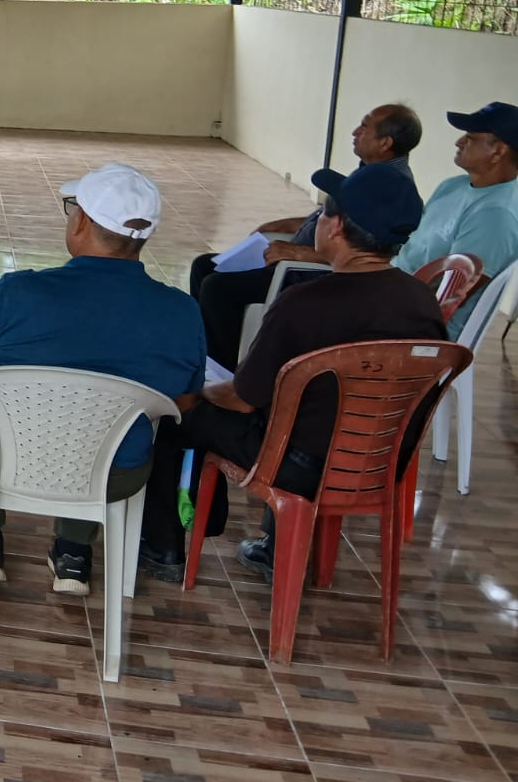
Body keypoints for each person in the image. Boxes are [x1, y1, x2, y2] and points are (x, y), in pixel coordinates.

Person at [138, 162, 444, 583]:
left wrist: (200, 390)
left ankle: (163, 549)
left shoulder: (305, 302)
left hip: (296, 464)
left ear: (335, 227)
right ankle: (274, 545)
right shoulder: (424, 303)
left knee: (178, 416)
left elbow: (242, 399)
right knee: (308, 413)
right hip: (380, 462)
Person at [0, 163, 205, 596]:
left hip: (5, 460)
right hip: (114, 474)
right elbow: (182, 403)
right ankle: (73, 552)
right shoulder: (182, 312)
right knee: (100, 434)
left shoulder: (17, 292)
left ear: (82, 221)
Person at [192, 103, 419, 366]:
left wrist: (300, 253)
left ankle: (224, 368)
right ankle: (202, 354)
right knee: (205, 265)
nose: (355, 132)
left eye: (364, 126)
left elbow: (374, 252)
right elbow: (344, 222)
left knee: (218, 288)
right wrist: (290, 224)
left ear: (385, 143)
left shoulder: (390, 187)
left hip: (306, 272)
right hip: (296, 259)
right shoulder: (371, 172)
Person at [393, 102, 518, 336]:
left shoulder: (495, 215)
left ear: (498, 152)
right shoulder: (452, 186)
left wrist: (378, 302)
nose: (458, 142)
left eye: (470, 138)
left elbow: (447, 298)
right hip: (394, 291)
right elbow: (411, 245)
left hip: (417, 329)